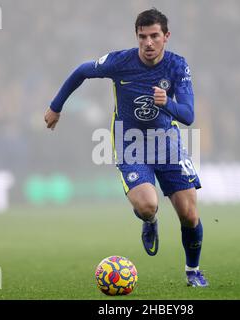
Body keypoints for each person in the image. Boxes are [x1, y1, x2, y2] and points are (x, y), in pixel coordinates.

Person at [45, 8, 208, 287]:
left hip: (167, 144)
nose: (148, 42)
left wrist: (166, 103)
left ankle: (193, 272)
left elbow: (188, 115)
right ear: (136, 36)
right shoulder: (120, 61)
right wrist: (55, 107)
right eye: (142, 36)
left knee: (190, 215)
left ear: (166, 37)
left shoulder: (177, 66)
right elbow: (82, 71)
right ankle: (150, 220)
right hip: (130, 144)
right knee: (147, 206)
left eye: (154, 36)